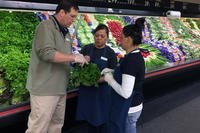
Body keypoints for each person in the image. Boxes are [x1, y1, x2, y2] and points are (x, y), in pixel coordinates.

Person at [25, 1, 88, 133]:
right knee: (38, 128)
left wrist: (78, 57)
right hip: (45, 90)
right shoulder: (46, 27)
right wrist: (73, 57)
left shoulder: (64, 31)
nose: (74, 20)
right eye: (72, 16)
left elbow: (63, 55)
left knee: (56, 126)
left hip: (59, 89)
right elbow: (47, 53)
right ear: (61, 13)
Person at [102, 18, 146, 133]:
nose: (119, 41)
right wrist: (112, 71)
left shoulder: (131, 60)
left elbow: (126, 93)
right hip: (134, 105)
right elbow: (126, 74)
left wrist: (109, 79)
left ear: (129, 39)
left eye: (121, 38)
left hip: (129, 108)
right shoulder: (134, 55)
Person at [76, 24, 117, 133]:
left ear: (107, 37)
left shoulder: (111, 53)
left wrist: (100, 79)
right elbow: (77, 65)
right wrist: (81, 61)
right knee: (89, 119)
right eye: (97, 35)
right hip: (87, 91)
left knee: (102, 120)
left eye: (102, 36)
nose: (99, 38)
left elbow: (113, 74)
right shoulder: (86, 48)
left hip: (101, 92)